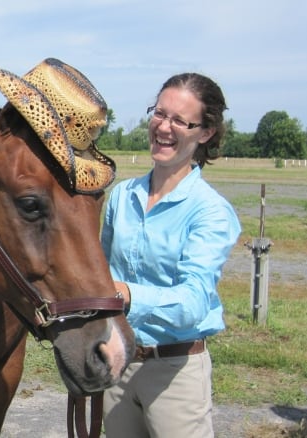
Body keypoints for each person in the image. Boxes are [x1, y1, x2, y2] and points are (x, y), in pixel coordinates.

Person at [100, 72, 241, 437]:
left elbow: (194, 302)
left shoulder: (209, 211)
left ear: (205, 133)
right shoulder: (123, 196)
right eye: (160, 113)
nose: (164, 127)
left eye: (180, 120)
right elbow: (99, 273)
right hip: (119, 360)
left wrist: (129, 295)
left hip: (175, 371)